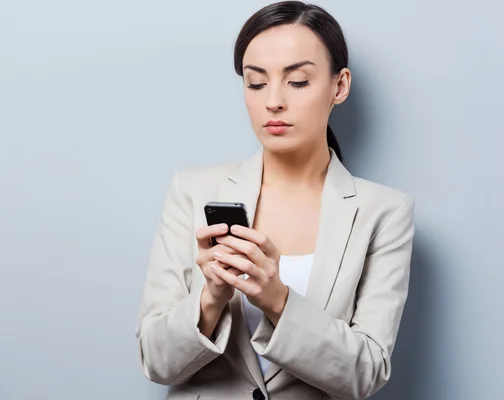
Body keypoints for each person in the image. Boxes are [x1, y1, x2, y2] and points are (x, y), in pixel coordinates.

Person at [135, 1, 415, 399]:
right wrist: (211, 298)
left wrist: (278, 300)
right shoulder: (192, 191)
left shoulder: (384, 212)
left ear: (340, 86)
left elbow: (366, 372)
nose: (274, 101)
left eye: (298, 81)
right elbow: (155, 361)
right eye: (256, 82)